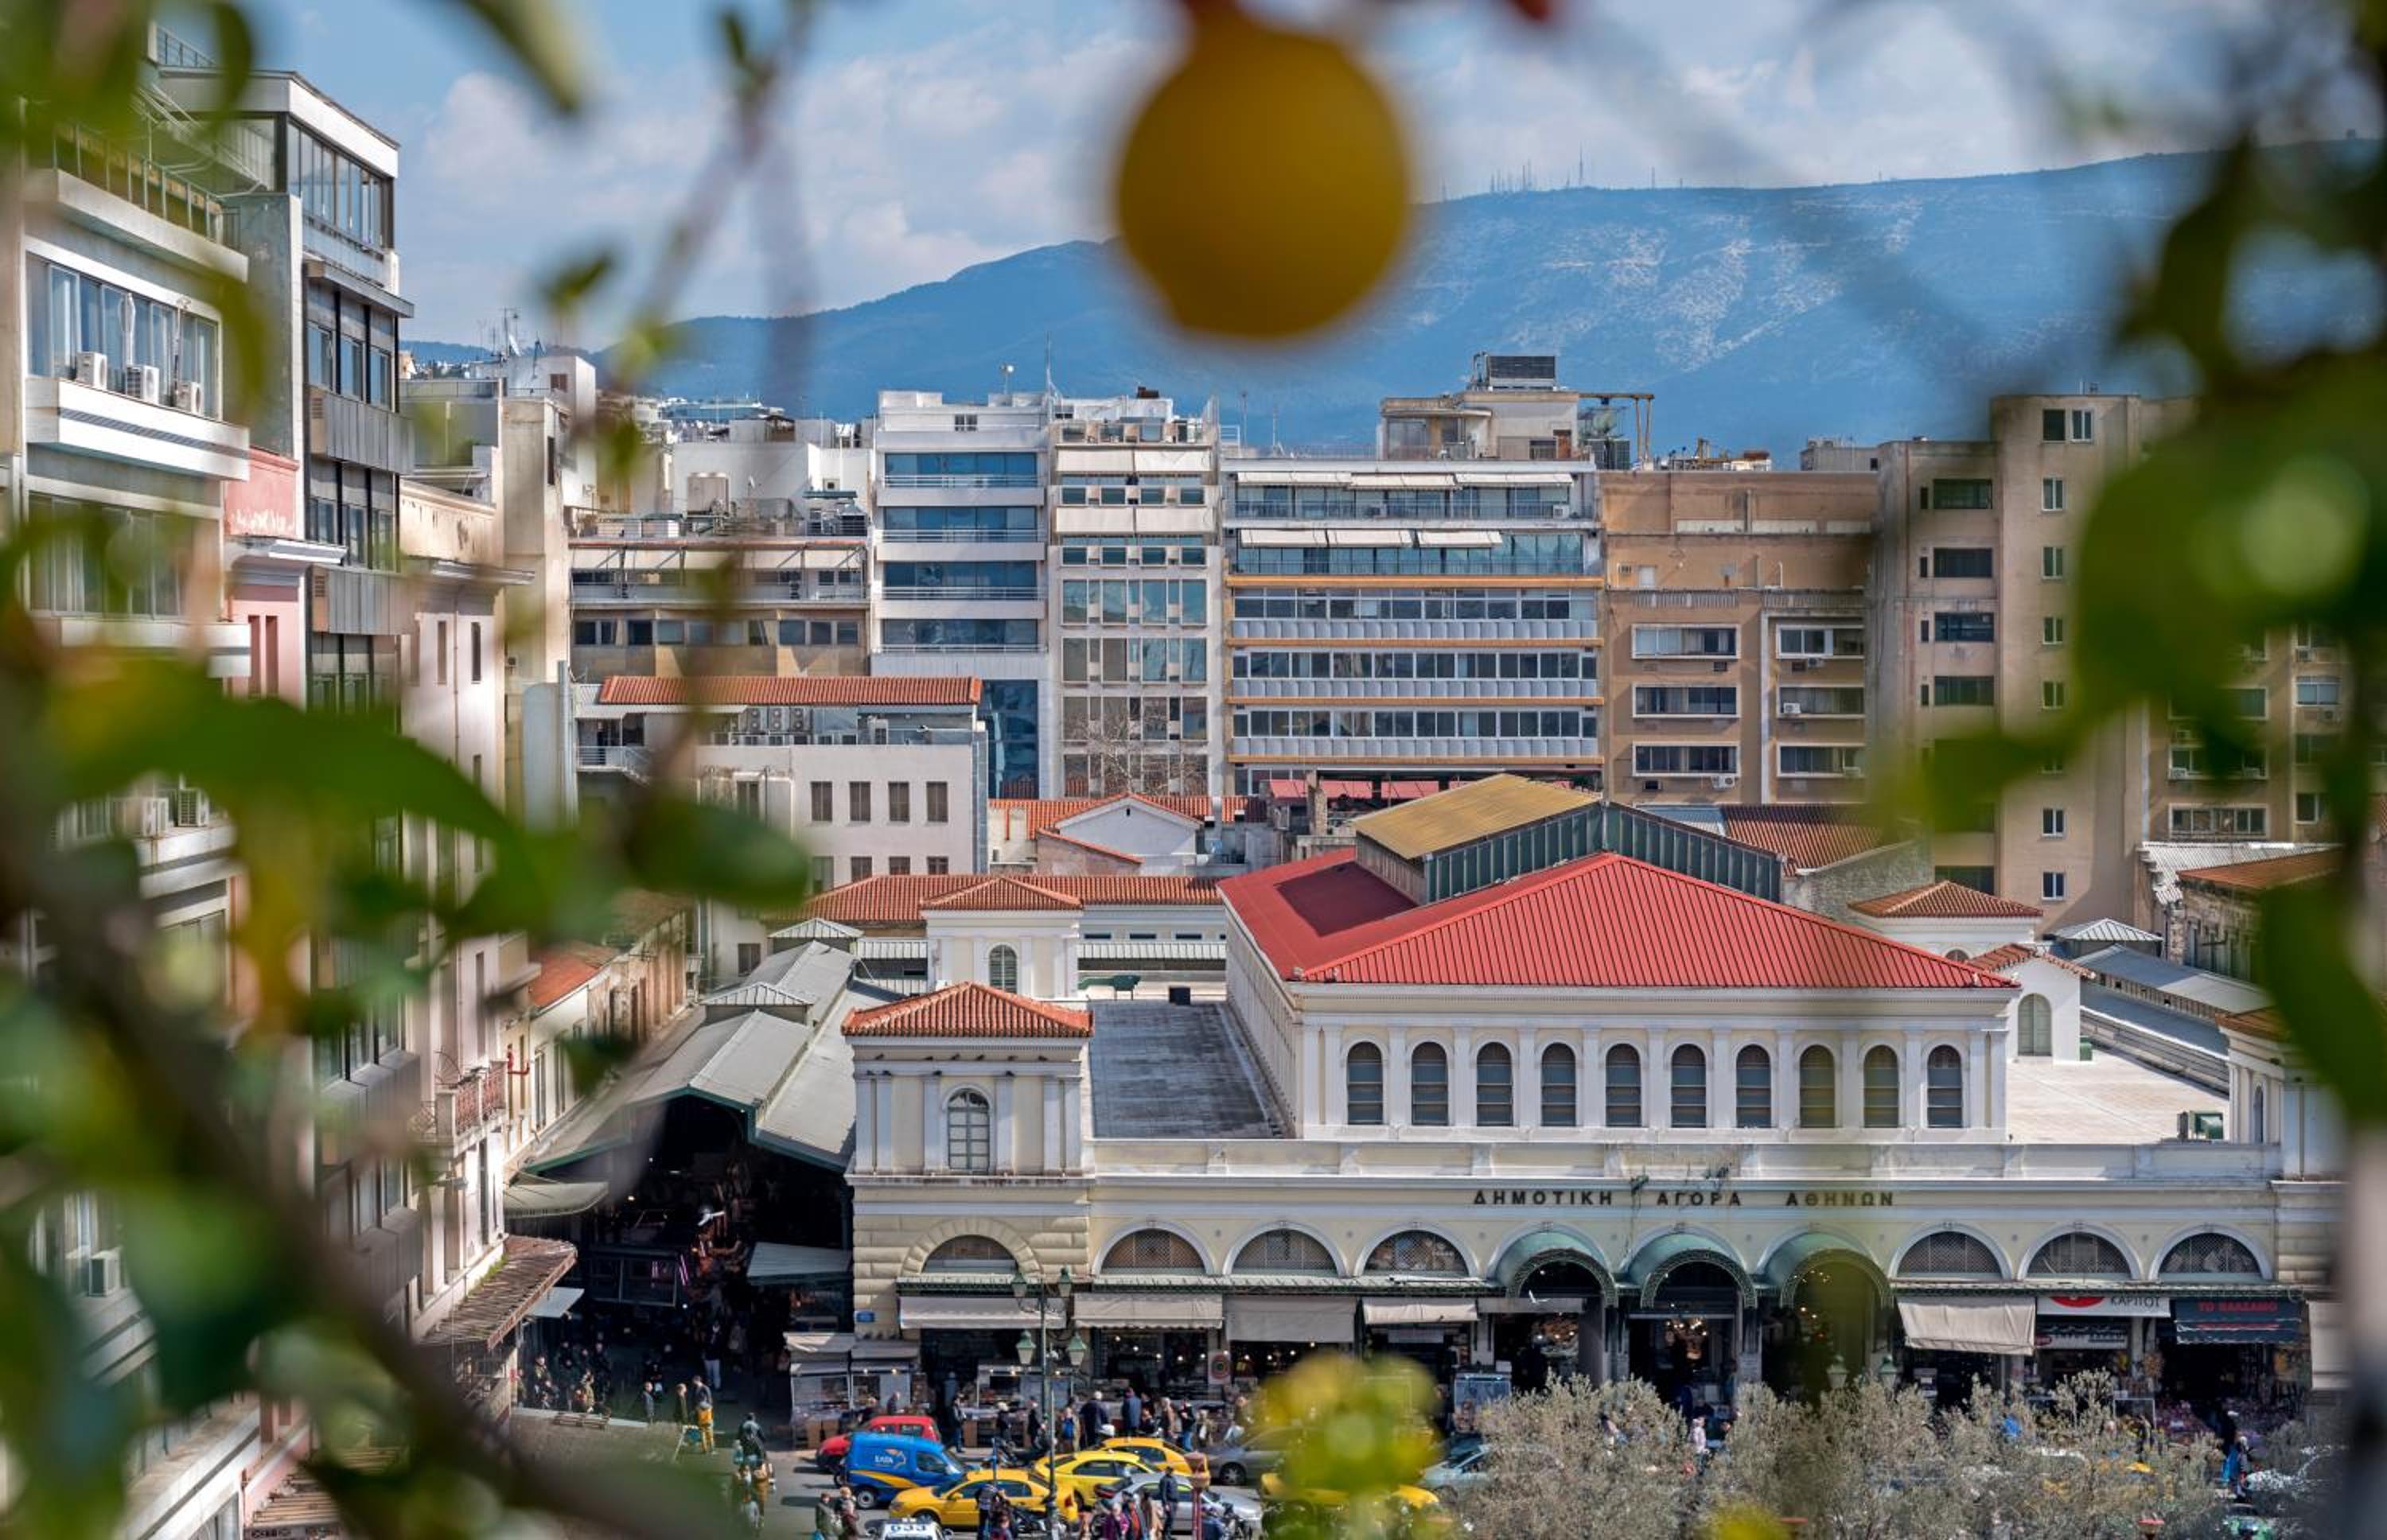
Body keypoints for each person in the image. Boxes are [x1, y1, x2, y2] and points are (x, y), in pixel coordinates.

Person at [1157, 1469, 1180, 1537]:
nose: (1172, 1472)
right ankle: (1165, 1535)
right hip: (1169, 1501)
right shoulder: (1164, 1480)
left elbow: (1176, 1491)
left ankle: (1168, 1534)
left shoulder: (1173, 1479)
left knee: (1172, 1519)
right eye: (1170, 1471)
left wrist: (1178, 1502)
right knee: (1171, 1517)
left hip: (1175, 1501)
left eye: (1172, 1471)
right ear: (1167, 1471)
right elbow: (1163, 1493)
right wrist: (1165, 1504)